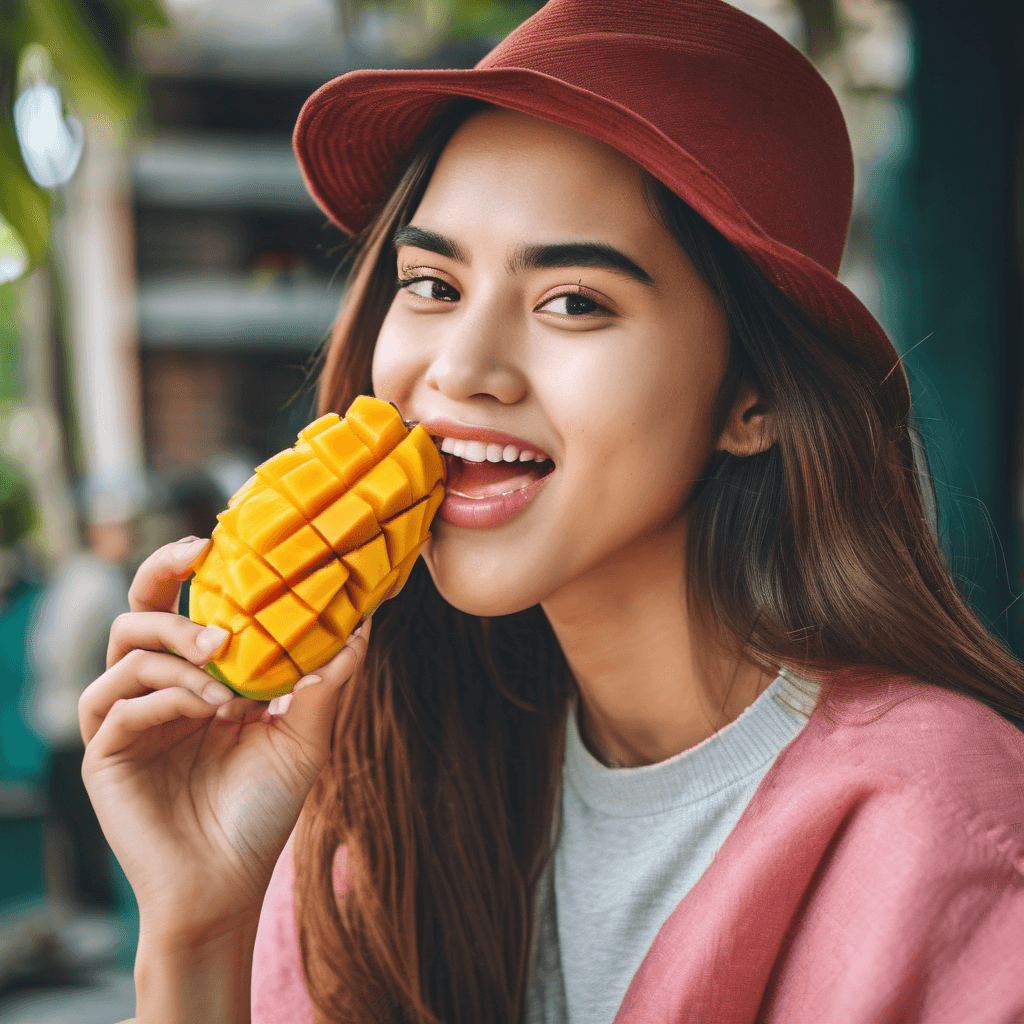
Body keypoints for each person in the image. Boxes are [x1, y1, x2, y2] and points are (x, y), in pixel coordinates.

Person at [80, 1, 1024, 1022]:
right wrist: (195, 928)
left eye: (572, 300)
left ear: (753, 397)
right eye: (432, 283)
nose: (463, 369)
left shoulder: (946, 835)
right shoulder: (369, 806)